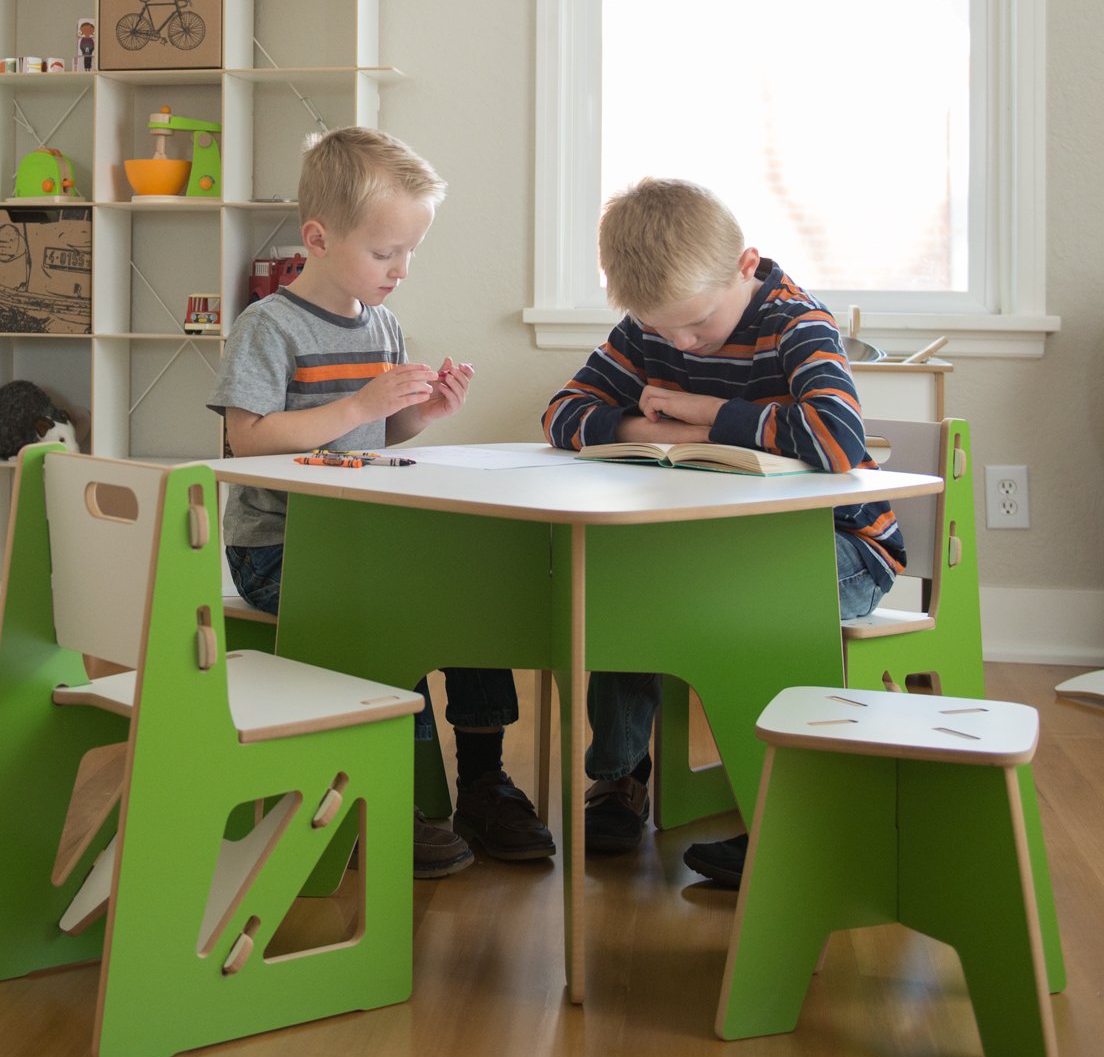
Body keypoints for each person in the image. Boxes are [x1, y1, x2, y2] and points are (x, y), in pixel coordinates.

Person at [208, 126, 553, 878]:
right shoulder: (268, 326)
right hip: (280, 545)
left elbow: (383, 430)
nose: (400, 270)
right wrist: (354, 402)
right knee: (399, 612)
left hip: (368, 535)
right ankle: (397, 797)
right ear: (318, 238)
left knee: (470, 594)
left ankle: (483, 781)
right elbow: (246, 440)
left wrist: (424, 412)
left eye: (410, 252)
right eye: (384, 251)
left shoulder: (384, 324)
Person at [541, 177, 904, 883]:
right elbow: (562, 411)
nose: (680, 342)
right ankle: (619, 777)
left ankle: (784, 808)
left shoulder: (798, 322)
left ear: (745, 267)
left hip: (841, 549)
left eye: (698, 325)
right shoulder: (651, 327)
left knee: (745, 606)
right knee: (622, 578)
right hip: (707, 548)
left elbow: (834, 438)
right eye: (660, 329)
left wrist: (704, 411)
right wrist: (639, 424)